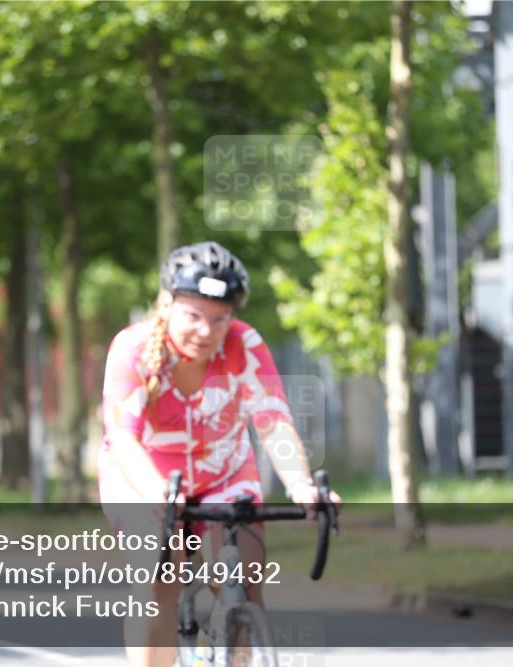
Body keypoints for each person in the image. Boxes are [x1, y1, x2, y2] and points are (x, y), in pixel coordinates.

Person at [98, 241, 342, 667]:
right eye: (193, 316)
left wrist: (301, 484)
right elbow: (122, 437)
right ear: (167, 305)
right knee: (160, 581)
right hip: (143, 475)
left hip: (223, 474)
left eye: (220, 319)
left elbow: (272, 420)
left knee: (244, 582)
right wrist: (159, 492)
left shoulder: (244, 345)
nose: (206, 331)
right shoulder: (133, 348)